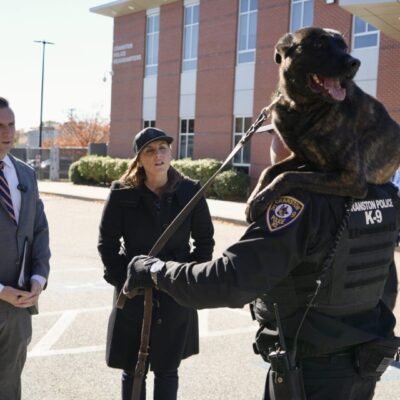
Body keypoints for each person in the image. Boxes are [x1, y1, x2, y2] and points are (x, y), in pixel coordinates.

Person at [124, 148, 400, 398]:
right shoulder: (380, 193)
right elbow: (386, 283)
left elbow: (230, 279)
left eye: (276, 135)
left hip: (310, 374)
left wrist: (157, 271)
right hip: (362, 366)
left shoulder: (301, 201)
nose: (273, 147)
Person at [98, 127, 214, 400]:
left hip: (175, 292)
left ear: (171, 152)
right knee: (133, 369)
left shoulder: (190, 191)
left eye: (162, 148)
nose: (157, 155)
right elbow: (107, 244)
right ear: (139, 158)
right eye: (149, 150)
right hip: (134, 293)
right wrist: (124, 280)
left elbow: (204, 242)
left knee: (167, 370)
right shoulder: (121, 194)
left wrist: (188, 281)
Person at [0, 97, 50, 400]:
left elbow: (39, 231)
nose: (7, 132)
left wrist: (38, 279)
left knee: (9, 386)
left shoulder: (26, 175)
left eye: (11, 125)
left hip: (18, 308)